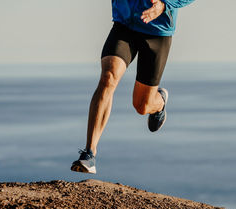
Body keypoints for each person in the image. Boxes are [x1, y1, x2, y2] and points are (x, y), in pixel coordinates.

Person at [71, 0, 195, 174]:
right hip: (124, 25)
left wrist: (164, 5)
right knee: (108, 77)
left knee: (142, 106)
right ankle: (89, 153)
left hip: (157, 30)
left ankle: (159, 103)